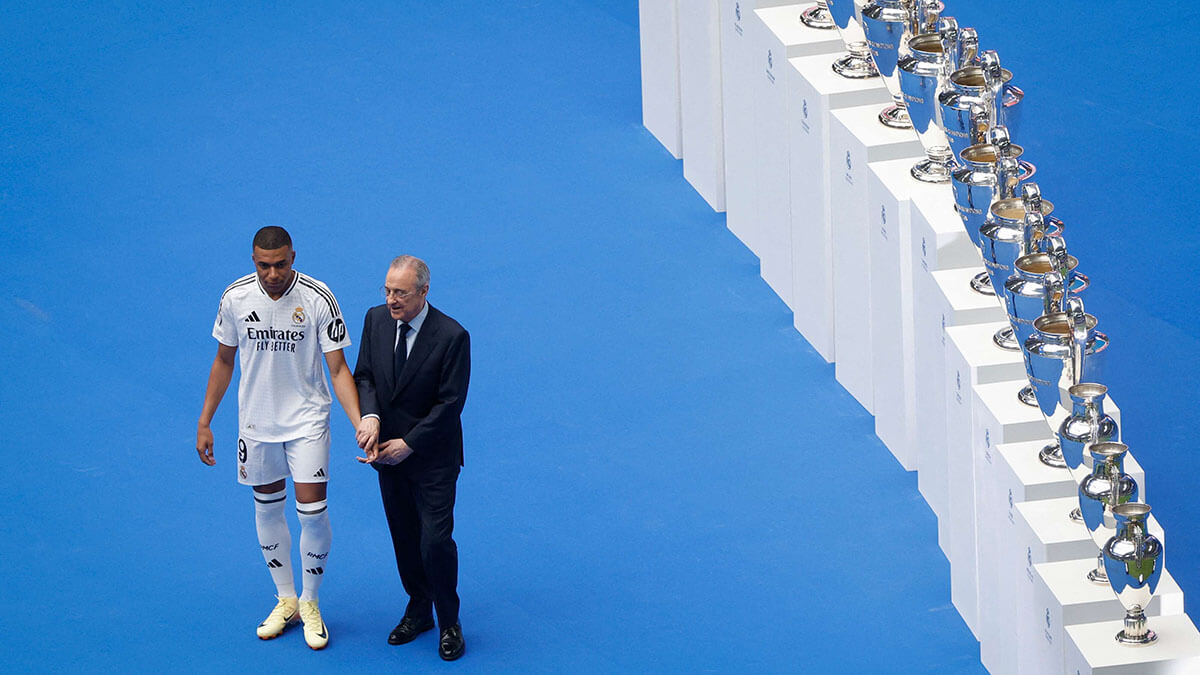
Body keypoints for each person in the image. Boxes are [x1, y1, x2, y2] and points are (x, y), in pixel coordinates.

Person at [196, 226, 364, 650]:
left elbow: (339, 369)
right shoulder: (235, 297)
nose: (272, 273)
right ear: (254, 261)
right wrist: (205, 421)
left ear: (294, 257)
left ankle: (310, 602)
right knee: (267, 508)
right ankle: (285, 598)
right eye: (263, 265)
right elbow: (222, 360)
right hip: (256, 424)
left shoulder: (317, 297)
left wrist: (360, 421)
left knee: (311, 511)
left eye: (280, 264)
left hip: (308, 421)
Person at [353, 255, 471, 661]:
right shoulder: (375, 320)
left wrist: (409, 443)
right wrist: (370, 417)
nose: (391, 300)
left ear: (424, 292)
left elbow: (449, 404)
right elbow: (364, 375)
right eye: (387, 290)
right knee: (404, 537)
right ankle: (418, 608)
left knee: (435, 541)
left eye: (400, 292)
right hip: (387, 457)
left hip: (433, 459)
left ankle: (449, 620)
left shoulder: (452, 336)